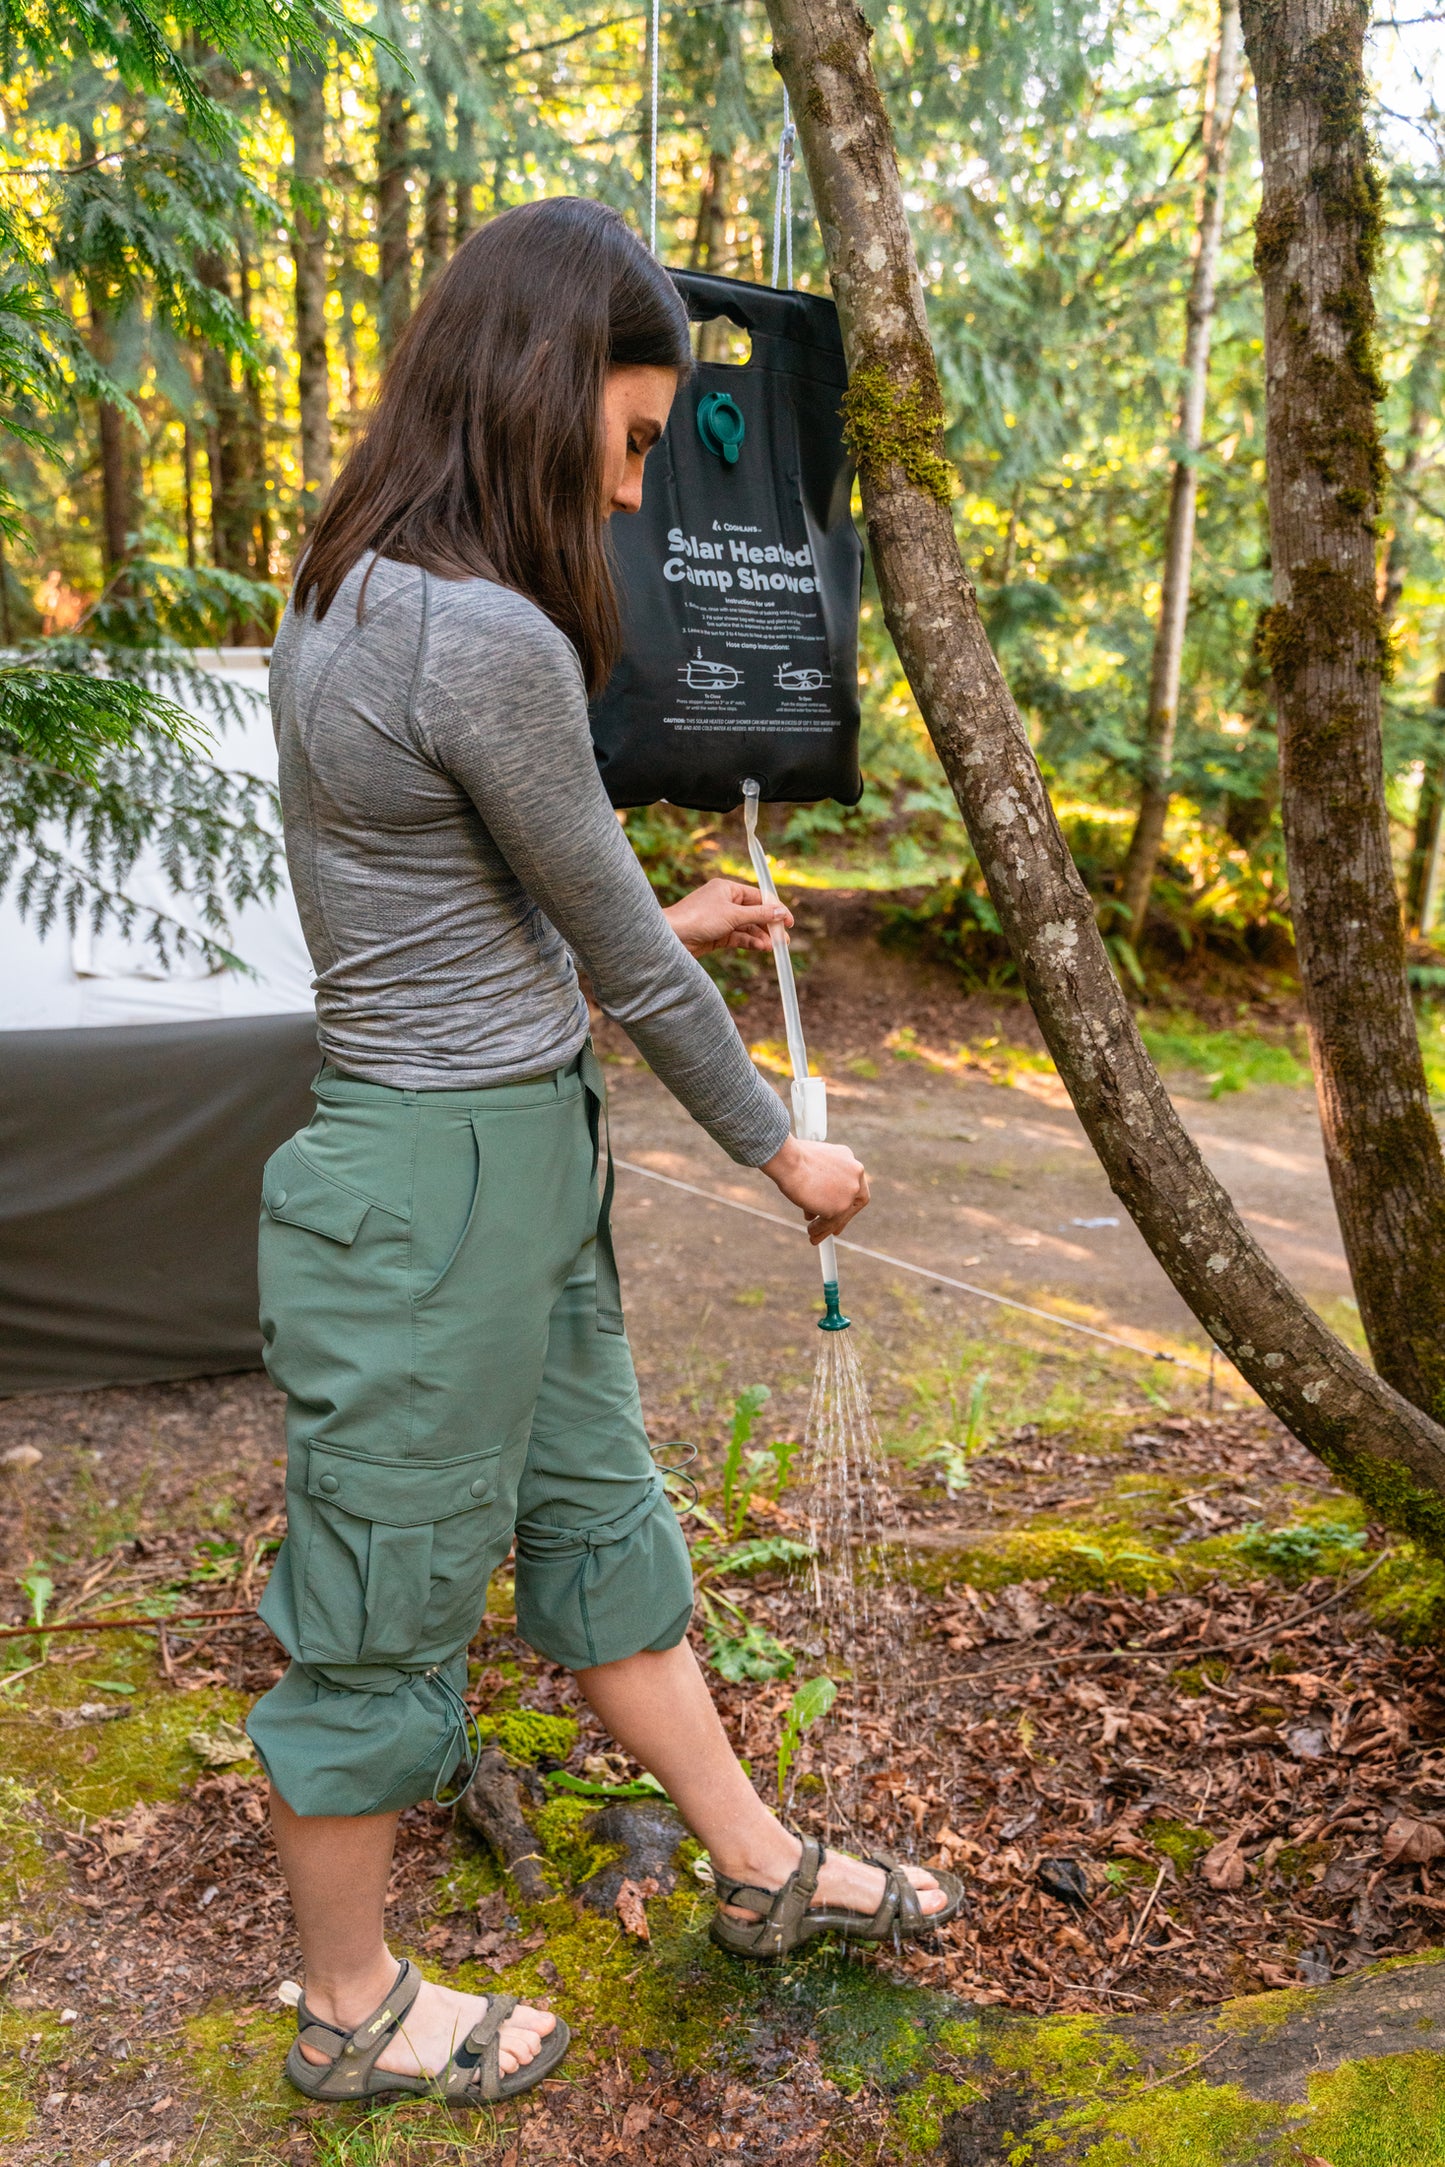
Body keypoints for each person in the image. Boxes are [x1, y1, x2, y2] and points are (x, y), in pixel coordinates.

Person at [247, 194, 963, 2110]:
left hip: (491, 1160)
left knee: (597, 1526)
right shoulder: (479, 631)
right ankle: (351, 2012)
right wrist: (775, 1149)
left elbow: (457, 901)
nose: (641, 495)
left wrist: (669, 923)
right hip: (435, 1192)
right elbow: (616, 959)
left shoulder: (355, 588)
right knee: (380, 1603)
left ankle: (756, 1867)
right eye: (635, 443)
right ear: (545, 394)